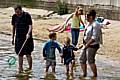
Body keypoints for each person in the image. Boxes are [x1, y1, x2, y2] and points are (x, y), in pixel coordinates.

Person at [11, 5, 34, 73]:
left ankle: (30, 68)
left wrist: (28, 33)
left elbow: (30, 26)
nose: (17, 14)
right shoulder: (14, 16)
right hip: (18, 37)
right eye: (16, 12)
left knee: (28, 53)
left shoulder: (27, 15)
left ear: (21, 10)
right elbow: (13, 27)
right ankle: (20, 68)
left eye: (18, 12)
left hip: (27, 38)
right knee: (19, 54)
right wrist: (12, 37)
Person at [79, 10, 101, 77]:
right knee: (81, 59)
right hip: (86, 44)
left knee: (90, 61)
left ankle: (95, 75)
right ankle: (84, 74)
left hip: (92, 45)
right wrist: (83, 44)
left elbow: (94, 37)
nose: (86, 18)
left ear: (91, 17)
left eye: (87, 17)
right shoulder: (89, 23)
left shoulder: (96, 24)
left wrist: (87, 45)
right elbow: (85, 34)